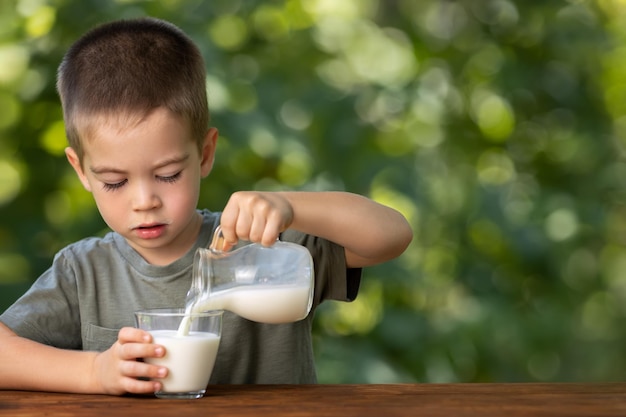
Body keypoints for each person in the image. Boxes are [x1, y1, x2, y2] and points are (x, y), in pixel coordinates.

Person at [0, 17, 413, 395]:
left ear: (204, 153)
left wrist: (289, 206)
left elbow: (393, 235)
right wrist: (94, 372)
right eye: (115, 182)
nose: (145, 201)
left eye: (167, 175)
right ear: (82, 171)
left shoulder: (265, 247)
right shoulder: (84, 274)